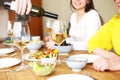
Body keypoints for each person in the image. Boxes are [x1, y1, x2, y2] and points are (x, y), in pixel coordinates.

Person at [88, 0, 120, 72]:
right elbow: (93, 43)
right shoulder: (116, 20)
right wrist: (113, 57)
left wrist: (117, 64)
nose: (117, 1)